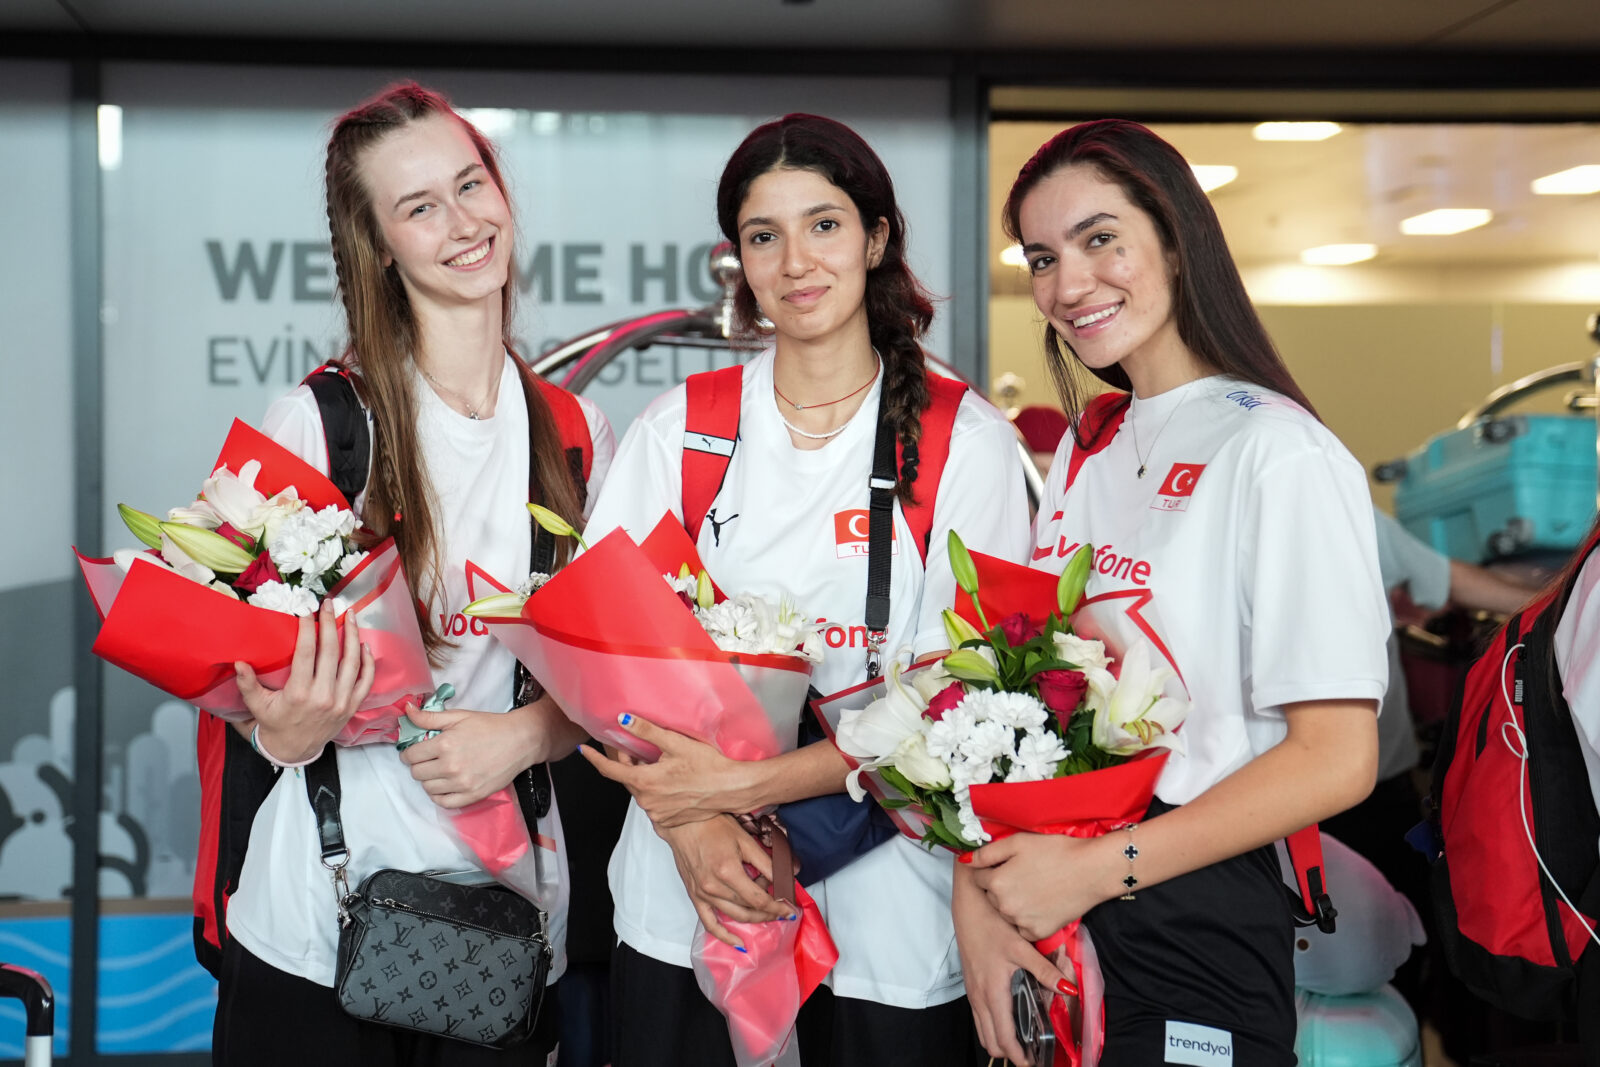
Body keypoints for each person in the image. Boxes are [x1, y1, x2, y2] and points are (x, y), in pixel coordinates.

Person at [576, 113, 1030, 1067]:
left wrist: (743, 786)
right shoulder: (683, 429)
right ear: (736, 259)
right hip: (692, 903)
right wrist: (696, 827)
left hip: (890, 920)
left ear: (875, 239)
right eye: (763, 235)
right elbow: (601, 653)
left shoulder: (962, 440)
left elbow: (969, 693)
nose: (795, 261)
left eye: (824, 225)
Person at [955, 118, 1391, 1066]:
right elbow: (1013, 695)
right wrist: (982, 901)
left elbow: (1336, 758)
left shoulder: (1279, 451)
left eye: (1100, 238)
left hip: (1196, 901)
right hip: (1059, 898)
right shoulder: (1085, 445)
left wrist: (1092, 871)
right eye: (1041, 256)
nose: (1068, 285)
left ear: (1176, 236)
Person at [210, 83, 614, 1066]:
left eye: (470, 184)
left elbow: (618, 687)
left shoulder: (572, 431)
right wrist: (279, 722)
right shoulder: (317, 422)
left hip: (510, 929)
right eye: (419, 206)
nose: (463, 222)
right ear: (379, 244)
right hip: (315, 927)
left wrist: (525, 732)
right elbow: (221, 661)